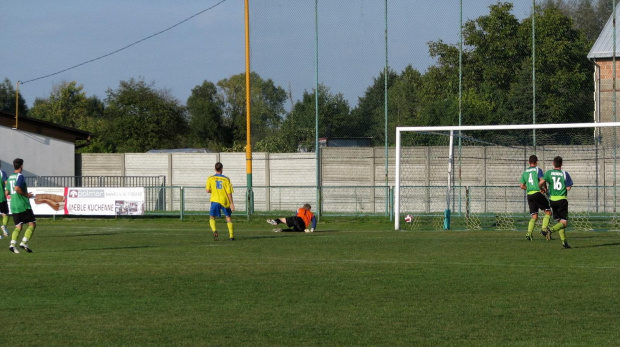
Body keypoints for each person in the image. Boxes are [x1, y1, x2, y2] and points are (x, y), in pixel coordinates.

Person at [541, 156, 573, 249]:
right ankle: (549, 231)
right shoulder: (564, 174)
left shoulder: (549, 173)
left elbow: (541, 182)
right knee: (564, 223)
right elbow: (568, 188)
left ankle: (564, 242)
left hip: (552, 200)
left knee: (560, 222)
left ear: (553, 163)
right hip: (562, 200)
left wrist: (543, 189)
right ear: (561, 164)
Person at [519, 155, 552, 241]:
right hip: (537, 193)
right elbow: (542, 180)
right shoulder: (538, 170)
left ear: (529, 162)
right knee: (548, 211)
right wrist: (544, 189)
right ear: (536, 162)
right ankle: (544, 229)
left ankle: (529, 233)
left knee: (534, 216)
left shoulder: (525, 172)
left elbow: (522, 186)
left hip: (529, 195)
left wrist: (529, 188)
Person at [6, 158, 36, 253]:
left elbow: (7, 192)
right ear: (22, 166)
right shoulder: (20, 176)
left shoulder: (10, 177)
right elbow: (17, 188)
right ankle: (24, 242)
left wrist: (14, 195)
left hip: (13, 206)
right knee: (32, 224)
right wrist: (26, 195)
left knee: (18, 227)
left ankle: (12, 244)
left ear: (13, 166)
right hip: (22, 205)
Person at [205, 162, 235, 241]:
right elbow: (229, 192)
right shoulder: (226, 179)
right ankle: (231, 236)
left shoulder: (210, 178)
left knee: (212, 217)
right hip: (225, 200)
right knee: (228, 217)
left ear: (215, 169)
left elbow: (207, 190)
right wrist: (232, 203)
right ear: (222, 169)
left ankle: (214, 230)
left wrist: (214, 191)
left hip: (215, 200)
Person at [0, 167, 9, 238]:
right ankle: (4, 226)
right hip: (1, 197)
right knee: (5, 214)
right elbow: (6, 183)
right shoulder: (2, 173)